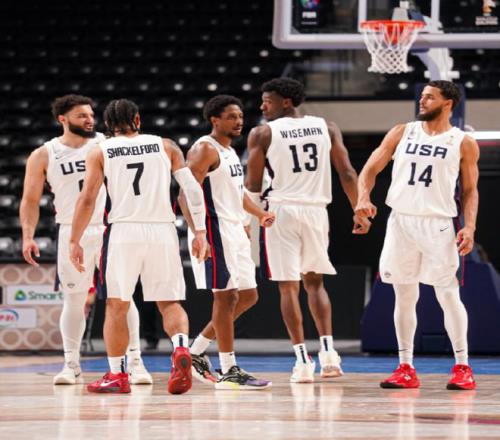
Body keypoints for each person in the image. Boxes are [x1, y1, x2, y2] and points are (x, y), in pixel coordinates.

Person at [69, 98, 208, 394]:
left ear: (108, 125)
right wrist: (199, 232)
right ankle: (181, 348)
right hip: (163, 231)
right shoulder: (166, 146)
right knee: (169, 302)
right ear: (137, 120)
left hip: (123, 232)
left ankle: (117, 375)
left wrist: (74, 240)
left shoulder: (100, 150)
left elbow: (88, 198)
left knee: (117, 305)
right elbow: (193, 191)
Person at [355, 80, 479, 390]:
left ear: (448, 103)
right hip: (401, 222)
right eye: (422, 96)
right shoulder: (402, 132)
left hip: (438, 224)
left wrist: (469, 226)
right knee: (404, 295)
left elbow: (470, 190)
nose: (422, 101)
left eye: (430, 97)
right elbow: (370, 168)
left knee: (447, 294)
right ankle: (406, 367)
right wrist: (362, 198)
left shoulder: (462, 141)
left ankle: (462, 367)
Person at [19, 94, 151, 385]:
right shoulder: (44, 154)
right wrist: (28, 236)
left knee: (122, 297)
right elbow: (30, 199)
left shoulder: (107, 143)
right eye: (82, 116)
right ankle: (71, 364)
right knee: (74, 299)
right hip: (71, 230)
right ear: (62, 119)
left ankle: (135, 363)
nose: (90, 120)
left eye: (91, 115)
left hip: (110, 228)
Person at [245, 78, 370, 383]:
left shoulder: (263, 133)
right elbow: (347, 172)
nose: (262, 106)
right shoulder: (327, 127)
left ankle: (302, 362)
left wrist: (249, 220)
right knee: (315, 283)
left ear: (286, 102)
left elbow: (253, 184)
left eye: (268, 101)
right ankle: (329, 355)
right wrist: (359, 208)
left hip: (280, 211)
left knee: (288, 287)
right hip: (316, 212)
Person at [179, 95, 275, 390]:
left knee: (248, 296)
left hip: (234, 229)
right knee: (226, 297)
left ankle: (196, 351)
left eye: (241, 116)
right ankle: (229, 368)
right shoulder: (204, 149)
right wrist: (198, 233)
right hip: (213, 228)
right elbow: (185, 193)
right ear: (215, 120)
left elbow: (237, 192)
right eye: (232, 116)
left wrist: (258, 215)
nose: (239, 121)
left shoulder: (230, 151)